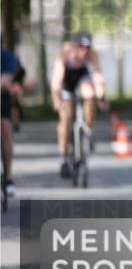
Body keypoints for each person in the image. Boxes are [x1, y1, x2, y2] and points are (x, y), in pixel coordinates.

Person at [50, 32, 106, 179]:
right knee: (65, 117)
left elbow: (98, 75)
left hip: (82, 76)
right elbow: (57, 79)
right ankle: (63, 158)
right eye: (81, 47)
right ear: (74, 45)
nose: (84, 50)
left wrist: (101, 96)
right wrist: (56, 98)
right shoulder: (65, 52)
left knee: (90, 94)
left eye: (87, 47)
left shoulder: (92, 54)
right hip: (66, 81)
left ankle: (88, 131)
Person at [2, 48, 19, 199]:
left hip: (1, 96)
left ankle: (8, 177)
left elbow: (5, 81)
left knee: (5, 129)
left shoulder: (7, 57)